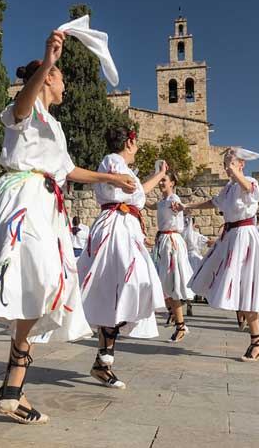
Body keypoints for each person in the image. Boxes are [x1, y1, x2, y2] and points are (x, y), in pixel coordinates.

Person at [0, 31, 136, 424]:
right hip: (22, 197)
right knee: (38, 277)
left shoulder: (54, 126)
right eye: (60, 79)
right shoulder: (23, 109)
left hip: (46, 202)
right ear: (46, 78)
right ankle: (12, 377)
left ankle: (13, 389)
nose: (65, 87)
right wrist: (48, 59)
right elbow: (23, 106)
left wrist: (112, 180)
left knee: (44, 287)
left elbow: (68, 170)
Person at [77, 128, 167, 390]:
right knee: (121, 286)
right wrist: (119, 181)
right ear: (129, 142)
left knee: (124, 288)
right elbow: (123, 183)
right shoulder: (112, 160)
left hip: (126, 228)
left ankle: (103, 361)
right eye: (136, 142)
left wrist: (159, 175)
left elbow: (138, 190)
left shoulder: (121, 168)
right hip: (115, 227)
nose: (137, 146)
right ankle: (103, 359)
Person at [182, 147, 259, 362]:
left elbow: (247, 188)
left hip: (245, 237)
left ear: (241, 164)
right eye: (225, 163)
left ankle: (257, 341)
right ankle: (257, 340)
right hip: (230, 237)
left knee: (246, 288)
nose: (226, 167)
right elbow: (212, 202)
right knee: (233, 286)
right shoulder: (228, 189)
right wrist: (186, 205)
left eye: (230, 162)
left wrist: (234, 171)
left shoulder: (249, 182)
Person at [149, 169, 194, 340]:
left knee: (171, 283)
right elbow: (153, 205)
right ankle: (175, 317)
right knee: (161, 283)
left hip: (171, 242)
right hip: (162, 242)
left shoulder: (174, 199)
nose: (161, 183)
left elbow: (177, 210)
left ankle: (180, 325)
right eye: (160, 180)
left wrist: (179, 210)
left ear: (172, 183)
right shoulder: (162, 201)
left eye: (164, 180)